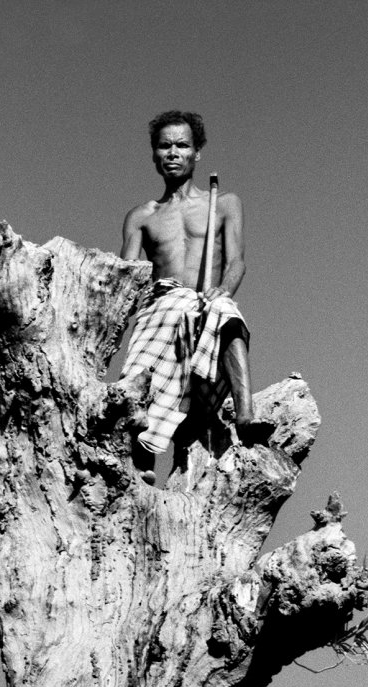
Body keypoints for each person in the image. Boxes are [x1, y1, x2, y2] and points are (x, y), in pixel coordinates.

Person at [119, 110, 258, 461]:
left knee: (227, 312)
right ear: (154, 154)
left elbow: (236, 261)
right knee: (138, 384)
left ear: (197, 152)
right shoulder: (142, 216)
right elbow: (123, 278)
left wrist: (222, 290)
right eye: (164, 146)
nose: (173, 153)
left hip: (207, 301)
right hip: (161, 306)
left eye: (182, 145)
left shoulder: (224, 204)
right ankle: (141, 460)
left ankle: (245, 414)